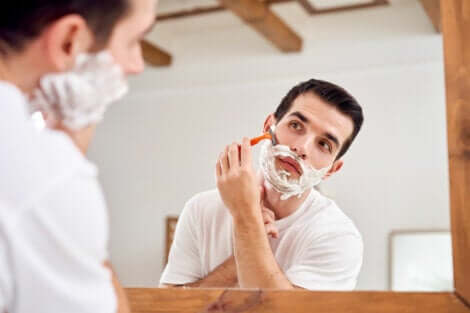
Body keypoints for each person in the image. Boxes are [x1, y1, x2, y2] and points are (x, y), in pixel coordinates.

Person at [0, 1, 157, 312]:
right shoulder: (45, 176)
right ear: (68, 41)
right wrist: (68, 157)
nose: (137, 65)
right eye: (134, 41)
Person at [161, 79, 364, 290]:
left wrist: (246, 219)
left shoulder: (338, 236)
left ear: (331, 169)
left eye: (324, 144)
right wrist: (239, 257)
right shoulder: (201, 209)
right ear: (269, 127)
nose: (301, 147)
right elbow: (166, 308)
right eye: (296, 126)